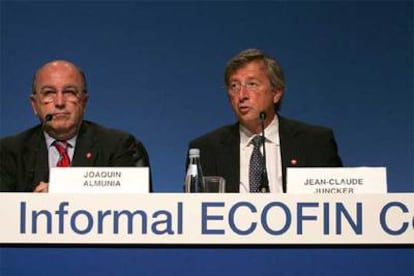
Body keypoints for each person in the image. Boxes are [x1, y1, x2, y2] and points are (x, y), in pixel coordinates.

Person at [187, 49, 342, 193]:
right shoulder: (206, 149)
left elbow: (338, 205)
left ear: (276, 93)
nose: (242, 95)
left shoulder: (315, 143)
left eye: (252, 84)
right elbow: (193, 212)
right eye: (234, 86)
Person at [0, 60, 152, 192]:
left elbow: (135, 204)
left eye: (70, 92)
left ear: (84, 102)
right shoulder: (8, 152)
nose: (60, 102)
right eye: (49, 93)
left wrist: (61, 190)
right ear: (34, 105)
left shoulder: (119, 146)